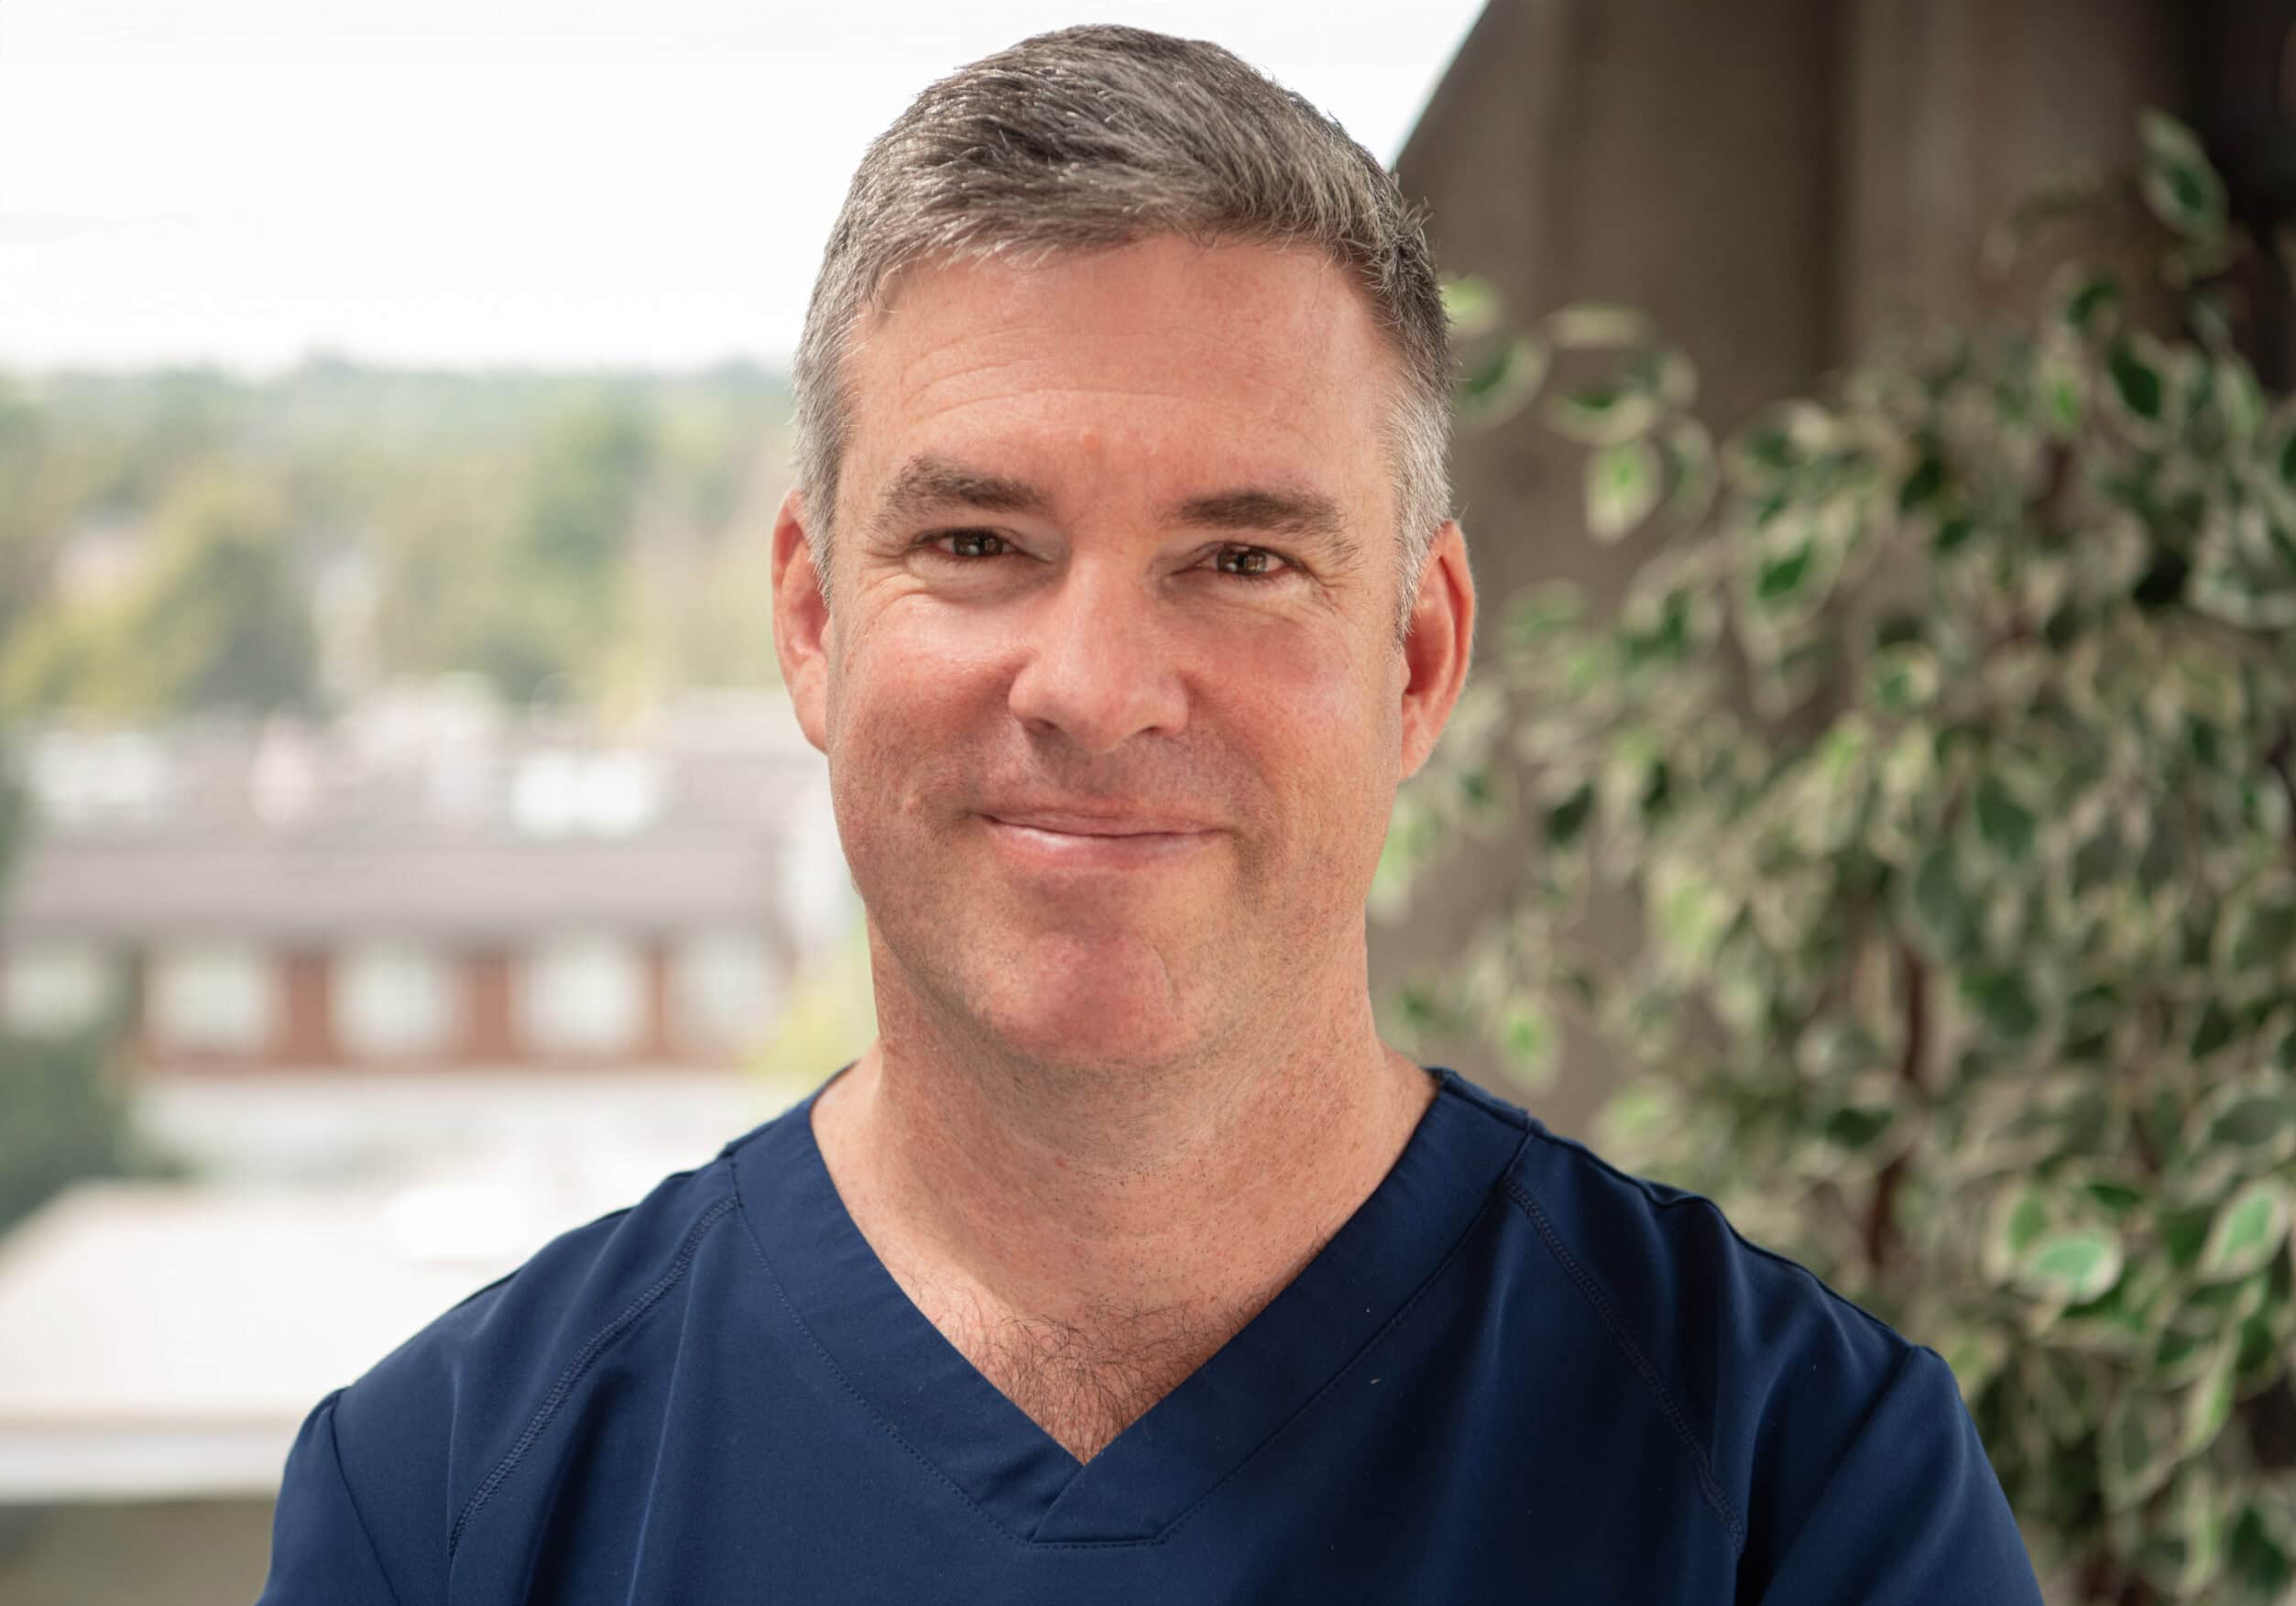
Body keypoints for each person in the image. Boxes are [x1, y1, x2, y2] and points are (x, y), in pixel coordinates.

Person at [258, 24, 2043, 1604]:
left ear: (1418, 656)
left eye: (1241, 558)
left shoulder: (1794, 1486)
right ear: (810, 621)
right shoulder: (446, 1509)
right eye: (976, 542)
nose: (1096, 685)